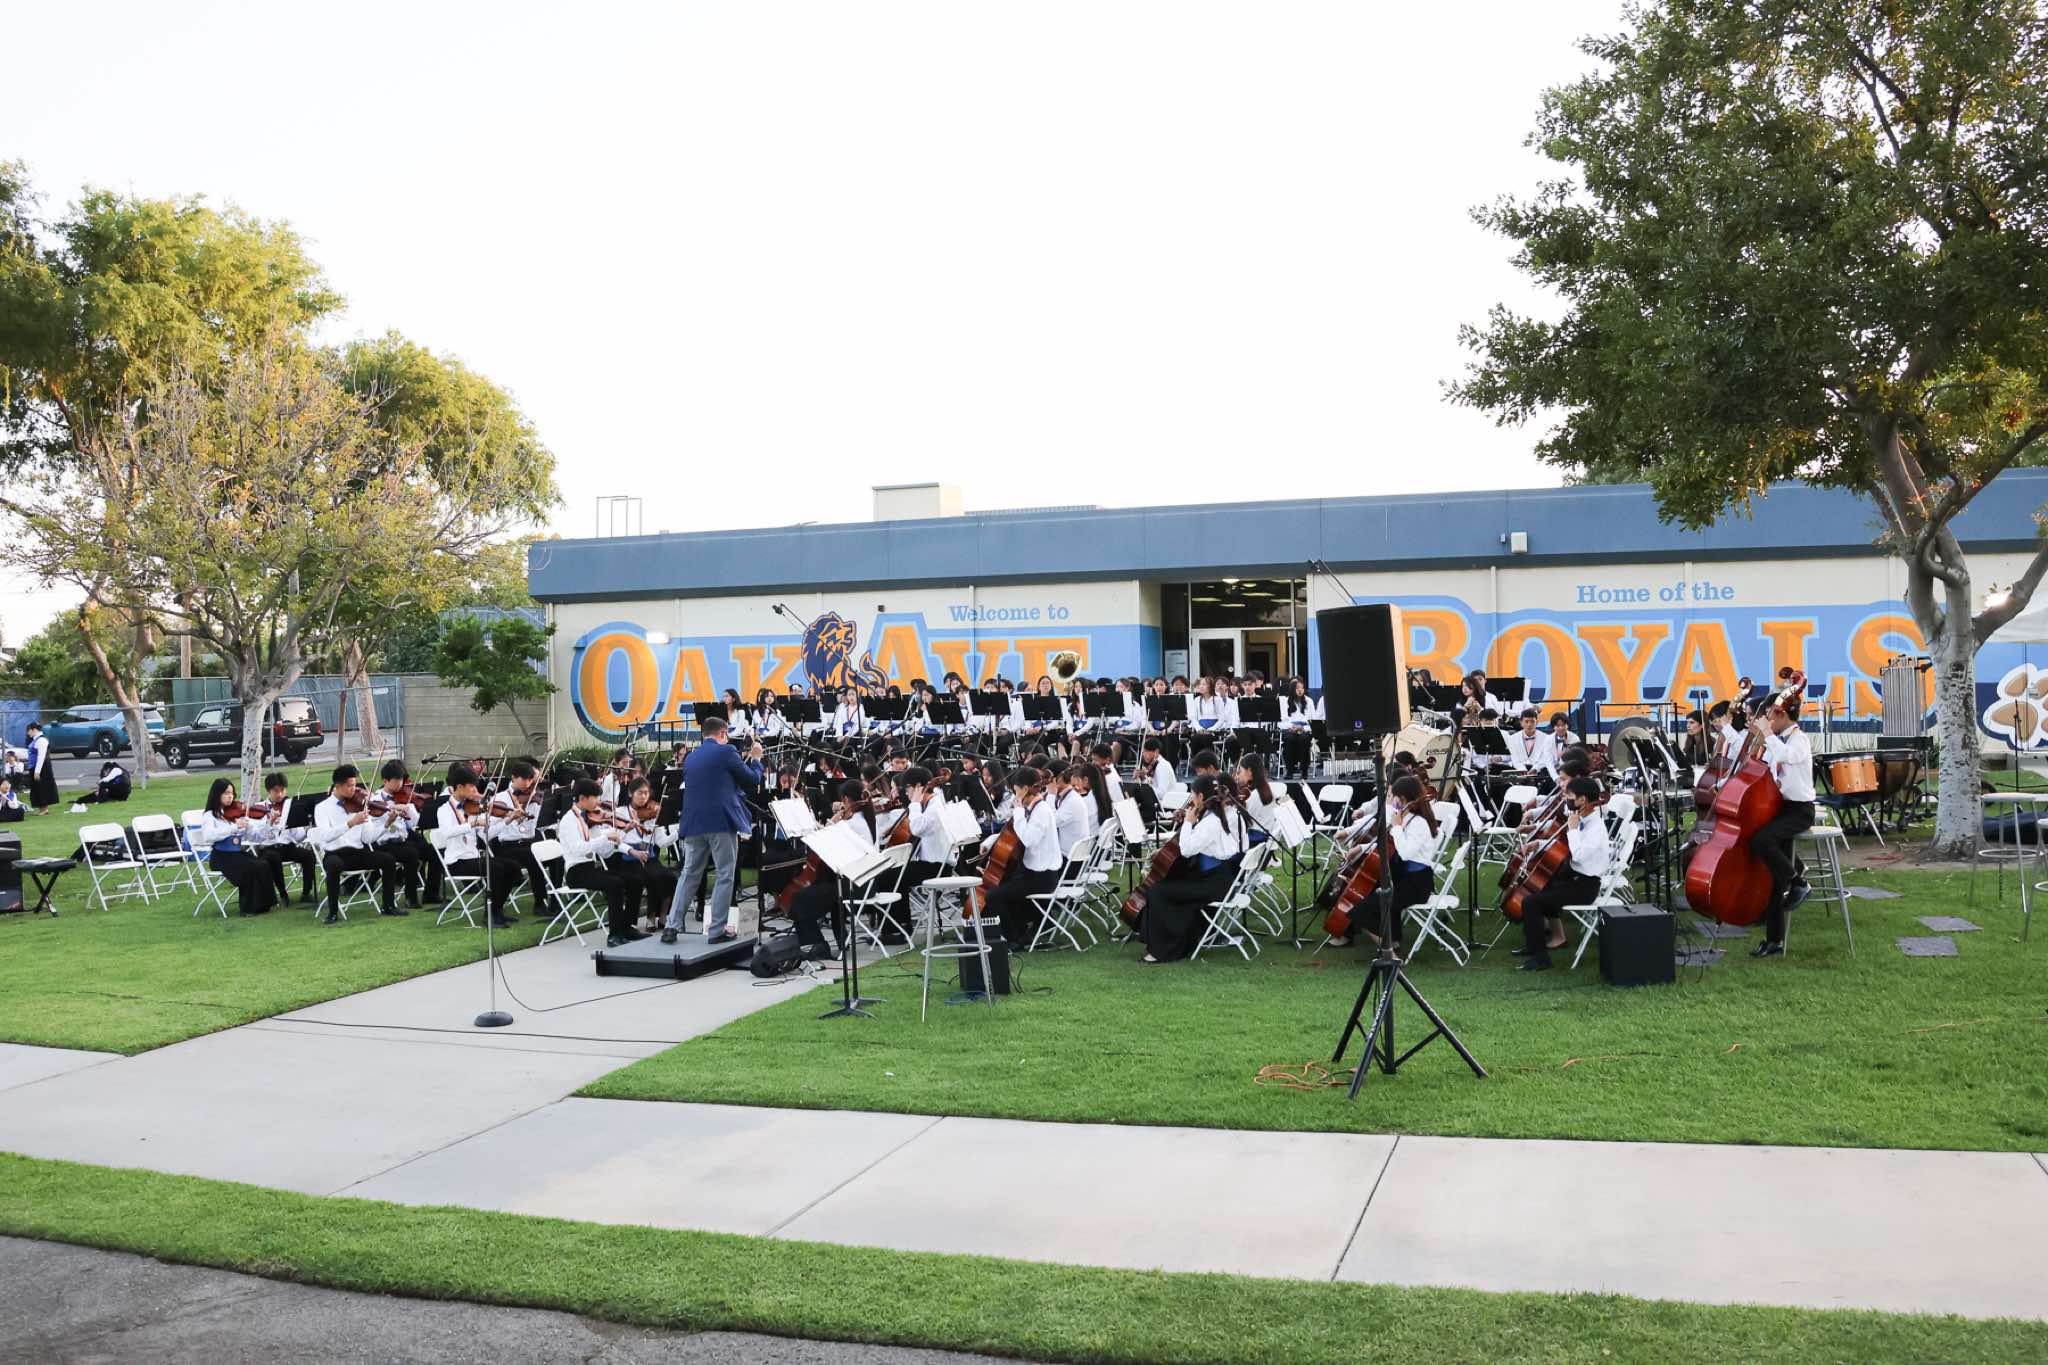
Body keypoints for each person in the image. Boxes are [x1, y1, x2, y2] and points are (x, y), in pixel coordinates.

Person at [662, 715, 765, 944]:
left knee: (689, 873)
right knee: (725, 873)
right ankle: (717, 930)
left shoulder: (691, 757)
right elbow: (750, 780)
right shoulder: (727, 751)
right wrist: (756, 759)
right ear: (723, 733)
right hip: (720, 822)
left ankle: (672, 925)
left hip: (693, 822)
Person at [1139, 775, 1245, 963]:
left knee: (1157, 891)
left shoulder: (1211, 822)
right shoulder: (1214, 816)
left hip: (1214, 884)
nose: (1192, 800)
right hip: (1216, 878)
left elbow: (1187, 850)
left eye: (1193, 795)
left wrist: (1188, 822)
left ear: (1201, 796)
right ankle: (1180, 941)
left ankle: (1163, 950)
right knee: (1168, 886)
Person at [1515, 776, 1609, 971]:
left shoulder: (1596, 827)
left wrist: (1573, 830)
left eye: (1569, 796)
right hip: (1572, 878)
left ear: (1582, 800)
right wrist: (1537, 844)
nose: (1566, 799)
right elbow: (1562, 846)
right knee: (1535, 886)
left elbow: (1579, 855)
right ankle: (1534, 944)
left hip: (1584, 887)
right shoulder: (1580, 818)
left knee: (1531, 902)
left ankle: (1540, 959)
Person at [1749, 697, 1816, 958]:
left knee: (1761, 841)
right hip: (1782, 807)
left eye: (1770, 715)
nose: (1768, 720)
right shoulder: (1777, 739)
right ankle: (1774, 940)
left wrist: (1767, 734)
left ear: (1782, 714)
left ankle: (1798, 881)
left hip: (1800, 811)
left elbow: (1786, 756)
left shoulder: (1799, 739)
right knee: (1775, 879)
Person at [791, 779, 878, 957]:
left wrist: (831, 823)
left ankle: (817, 944)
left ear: (845, 800)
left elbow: (826, 848)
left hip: (854, 887)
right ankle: (841, 939)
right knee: (824, 884)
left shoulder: (850, 825)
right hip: (868, 883)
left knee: (798, 899)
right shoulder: (867, 819)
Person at [979, 766, 1062, 950]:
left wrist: (1017, 811)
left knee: (992, 896)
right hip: (1032, 872)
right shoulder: (1032, 808)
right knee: (1002, 885)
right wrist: (990, 841)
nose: (1015, 796)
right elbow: (1013, 832)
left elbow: (1028, 839)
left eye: (1017, 791)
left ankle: (1012, 939)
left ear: (1026, 789)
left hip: (1042, 877)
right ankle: (1018, 929)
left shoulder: (1041, 811)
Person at [310, 766, 404, 923]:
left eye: (355, 785)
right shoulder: (322, 808)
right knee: (333, 865)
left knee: (388, 859)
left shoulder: (360, 805)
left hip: (357, 852)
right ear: (338, 786)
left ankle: (388, 906)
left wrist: (386, 824)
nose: (354, 789)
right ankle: (332, 912)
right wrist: (350, 823)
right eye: (350, 786)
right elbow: (326, 836)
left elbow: (368, 838)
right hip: (335, 853)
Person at [434, 762, 519, 927]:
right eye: (471, 787)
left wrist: (508, 820)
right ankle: (490, 916)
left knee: (512, 867)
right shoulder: (444, 809)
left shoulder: (472, 808)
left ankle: (497, 910)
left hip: (473, 858)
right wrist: (472, 824)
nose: (475, 791)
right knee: (495, 869)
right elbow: (447, 833)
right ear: (460, 787)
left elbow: (486, 835)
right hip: (457, 862)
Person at [559, 779, 641, 947]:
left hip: (590, 868)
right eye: (595, 797)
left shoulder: (588, 819)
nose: (598, 802)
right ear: (583, 798)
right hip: (576, 872)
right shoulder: (568, 820)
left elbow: (604, 852)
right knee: (615, 883)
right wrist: (605, 838)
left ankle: (627, 927)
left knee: (635, 880)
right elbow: (578, 849)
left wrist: (621, 834)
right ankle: (614, 935)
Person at [192, 778, 278, 916]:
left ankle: (264, 905)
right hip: (221, 856)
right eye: (226, 793)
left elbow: (256, 837)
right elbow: (209, 836)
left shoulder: (236, 814)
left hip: (237, 854)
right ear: (217, 794)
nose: (230, 796)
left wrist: (269, 824)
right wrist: (233, 827)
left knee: (263, 864)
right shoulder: (210, 816)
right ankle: (248, 908)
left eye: (232, 793)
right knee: (250, 868)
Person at [485, 759, 549, 922]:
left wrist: (535, 806)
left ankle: (554, 901)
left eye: (530, 780)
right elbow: (490, 830)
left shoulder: (533, 798)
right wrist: (510, 817)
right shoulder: (500, 799)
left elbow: (533, 827)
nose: (528, 784)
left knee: (555, 857)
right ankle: (540, 903)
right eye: (524, 779)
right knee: (534, 858)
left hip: (528, 843)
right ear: (513, 777)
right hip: (508, 846)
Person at [365, 760, 426, 909]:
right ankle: (411, 898)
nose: (400, 784)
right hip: (384, 843)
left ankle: (431, 893)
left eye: (401, 780)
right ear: (385, 781)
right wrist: (393, 806)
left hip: (401, 840)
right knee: (411, 854)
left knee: (429, 850)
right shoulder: (375, 801)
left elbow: (414, 824)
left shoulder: (403, 798)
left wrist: (409, 808)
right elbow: (376, 818)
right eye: (396, 781)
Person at [252, 772, 319, 905]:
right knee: (273, 857)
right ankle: (283, 895)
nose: (280, 794)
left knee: (309, 855)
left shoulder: (289, 807)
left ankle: (306, 893)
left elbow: (297, 837)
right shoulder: (259, 809)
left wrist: (304, 828)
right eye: (276, 791)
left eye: (282, 790)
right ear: (268, 791)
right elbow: (257, 836)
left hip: (287, 847)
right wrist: (270, 823)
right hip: (268, 848)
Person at [23, 722, 57, 815]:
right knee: (37, 788)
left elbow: (41, 757)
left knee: (42, 788)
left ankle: (44, 809)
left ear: (34, 729)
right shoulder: (34, 740)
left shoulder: (41, 740)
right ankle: (41, 808)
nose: (28, 733)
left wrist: (37, 771)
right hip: (34, 766)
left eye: (29, 731)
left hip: (42, 768)